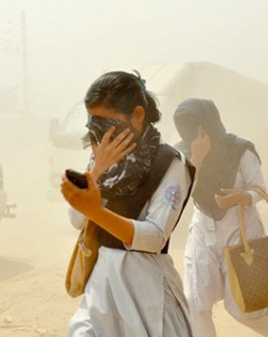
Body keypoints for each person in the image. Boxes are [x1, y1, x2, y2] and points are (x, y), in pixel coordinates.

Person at [61, 71, 195, 337]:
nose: (102, 134)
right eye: (94, 125)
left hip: (146, 290)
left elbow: (155, 237)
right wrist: (97, 170)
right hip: (103, 283)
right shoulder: (100, 159)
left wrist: (96, 212)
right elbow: (78, 220)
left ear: (137, 115)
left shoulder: (170, 163)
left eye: (108, 123)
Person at [173, 98, 268, 337]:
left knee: (242, 307)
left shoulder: (240, 150)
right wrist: (198, 159)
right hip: (203, 232)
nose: (192, 135)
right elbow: (180, 194)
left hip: (241, 233)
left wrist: (240, 197)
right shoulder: (182, 154)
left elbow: (259, 189)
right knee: (194, 301)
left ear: (208, 125)